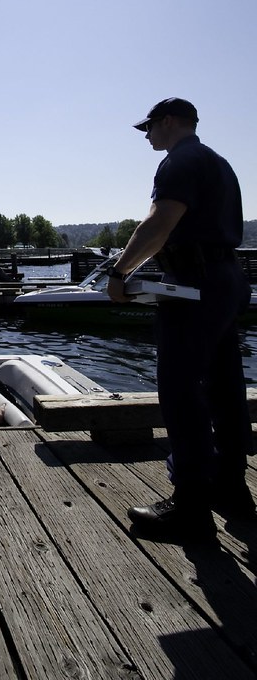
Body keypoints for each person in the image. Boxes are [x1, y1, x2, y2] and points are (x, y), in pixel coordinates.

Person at [107, 98, 254, 540]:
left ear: (168, 122)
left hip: (194, 284)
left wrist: (120, 272)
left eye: (148, 127)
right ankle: (231, 487)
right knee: (226, 386)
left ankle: (190, 506)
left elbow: (159, 224)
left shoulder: (178, 162)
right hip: (226, 279)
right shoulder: (219, 162)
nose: (147, 135)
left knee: (180, 388)